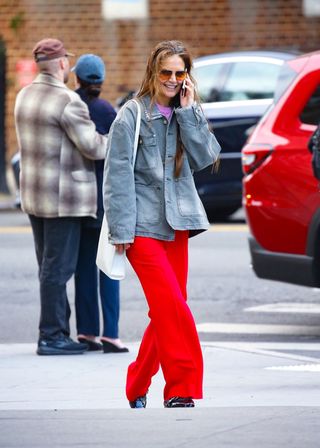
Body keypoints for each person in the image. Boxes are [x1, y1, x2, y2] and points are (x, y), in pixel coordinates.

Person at [103, 40, 221, 408]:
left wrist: (188, 113)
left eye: (179, 73)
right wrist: (121, 231)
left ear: (187, 76)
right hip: (141, 226)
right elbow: (116, 176)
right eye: (166, 72)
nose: (172, 79)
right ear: (153, 72)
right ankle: (181, 388)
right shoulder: (131, 115)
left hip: (179, 222)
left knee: (170, 305)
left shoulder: (188, 110)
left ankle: (137, 380)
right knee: (171, 305)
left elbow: (207, 158)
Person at [14, 38, 107, 356]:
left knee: (47, 266)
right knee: (58, 268)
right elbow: (93, 146)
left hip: (34, 196)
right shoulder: (68, 101)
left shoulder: (23, 96)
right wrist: (114, 139)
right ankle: (51, 335)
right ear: (63, 64)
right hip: (64, 199)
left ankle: (57, 331)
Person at [72, 54, 128, 353]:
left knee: (83, 269)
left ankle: (87, 332)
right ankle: (112, 334)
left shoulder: (71, 107)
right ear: (101, 81)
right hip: (105, 202)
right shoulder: (106, 110)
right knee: (109, 267)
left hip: (78, 201)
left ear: (77, 79)